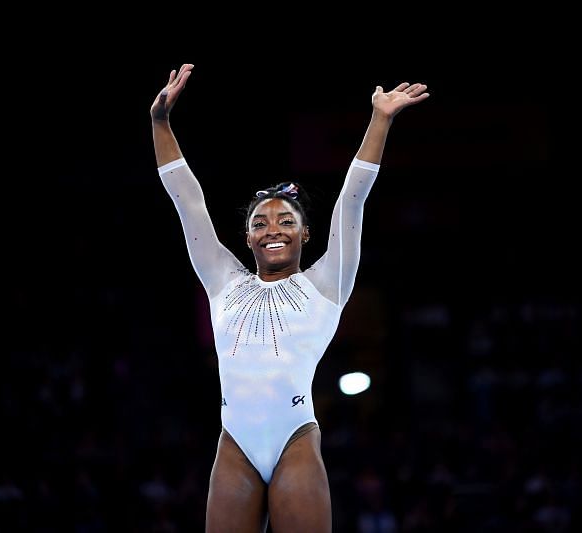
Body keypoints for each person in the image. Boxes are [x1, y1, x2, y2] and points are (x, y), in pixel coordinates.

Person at [150, 63, 429, 532]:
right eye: (260, 223)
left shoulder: (326, 284)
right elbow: (187, 200)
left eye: (285, 222)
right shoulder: (224, 282)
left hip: (294, 442)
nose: (272, 230)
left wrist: (380, 119)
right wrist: (160, 123)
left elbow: (352, 200)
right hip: (233, 445)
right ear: (247, 237)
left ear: (305, 233)